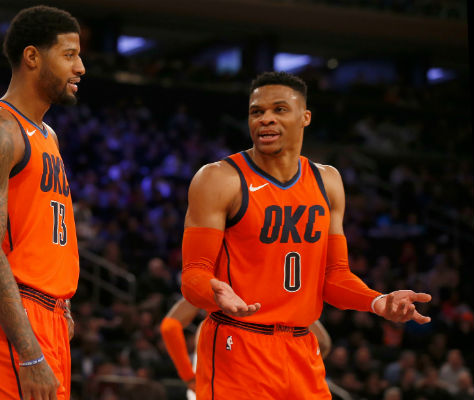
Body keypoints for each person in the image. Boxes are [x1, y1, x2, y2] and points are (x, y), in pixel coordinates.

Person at [180, 71, 431, 399]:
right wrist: (216, 294)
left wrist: (377, 301)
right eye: (257, 112)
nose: (266, 119)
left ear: (305, 117)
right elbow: (193, 274)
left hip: (301, 348)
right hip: (238, 344)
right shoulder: (218, 179)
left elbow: (335, 276)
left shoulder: (327, 181)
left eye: (279, 109)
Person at [0, 5, 84, 400]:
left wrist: (58, 305)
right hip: (11, 318)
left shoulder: (48, 135)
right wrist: (29, 352)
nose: (80, 68)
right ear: (32, 57)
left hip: (46, 315)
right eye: (69, 55)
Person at [159, 297, 331, 399]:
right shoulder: (279, 293)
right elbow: (323, 342)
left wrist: (189, 377)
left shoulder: (218, 281)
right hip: (272, 383)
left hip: (216, 388)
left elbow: (170, 327)